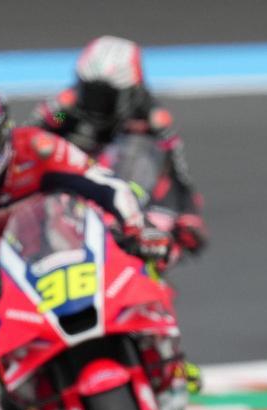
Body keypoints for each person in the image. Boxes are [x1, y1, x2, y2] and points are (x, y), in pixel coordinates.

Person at [0, 77, 171, 379]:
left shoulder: (39, 146)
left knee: (149, 252)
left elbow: (106, 184)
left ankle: (166, 358)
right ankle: (22, 386)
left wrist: (139, 229)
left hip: (60, 242)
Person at [30, 35, 207, 254]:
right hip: (69, 186)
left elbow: (179, 172)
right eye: (90, 91)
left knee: (139, 150)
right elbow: (30, 139)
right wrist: (49, 128)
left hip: (125, 188)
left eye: (105, 96)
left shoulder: (152, 119)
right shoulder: (64, 109)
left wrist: (190, 216)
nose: (95, 102)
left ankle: (127, 215)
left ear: (130, 91)